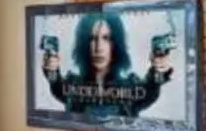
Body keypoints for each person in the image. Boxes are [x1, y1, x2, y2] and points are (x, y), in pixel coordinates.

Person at [41, 11, 174, 118]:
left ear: (116, 43)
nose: (98, 47)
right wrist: (52, 68)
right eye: (93, 38)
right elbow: (57, 85)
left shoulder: (131, 86)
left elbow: (150, 90)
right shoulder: (71, 85)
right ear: (84, 43)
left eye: (106, 38)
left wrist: (158, 70)